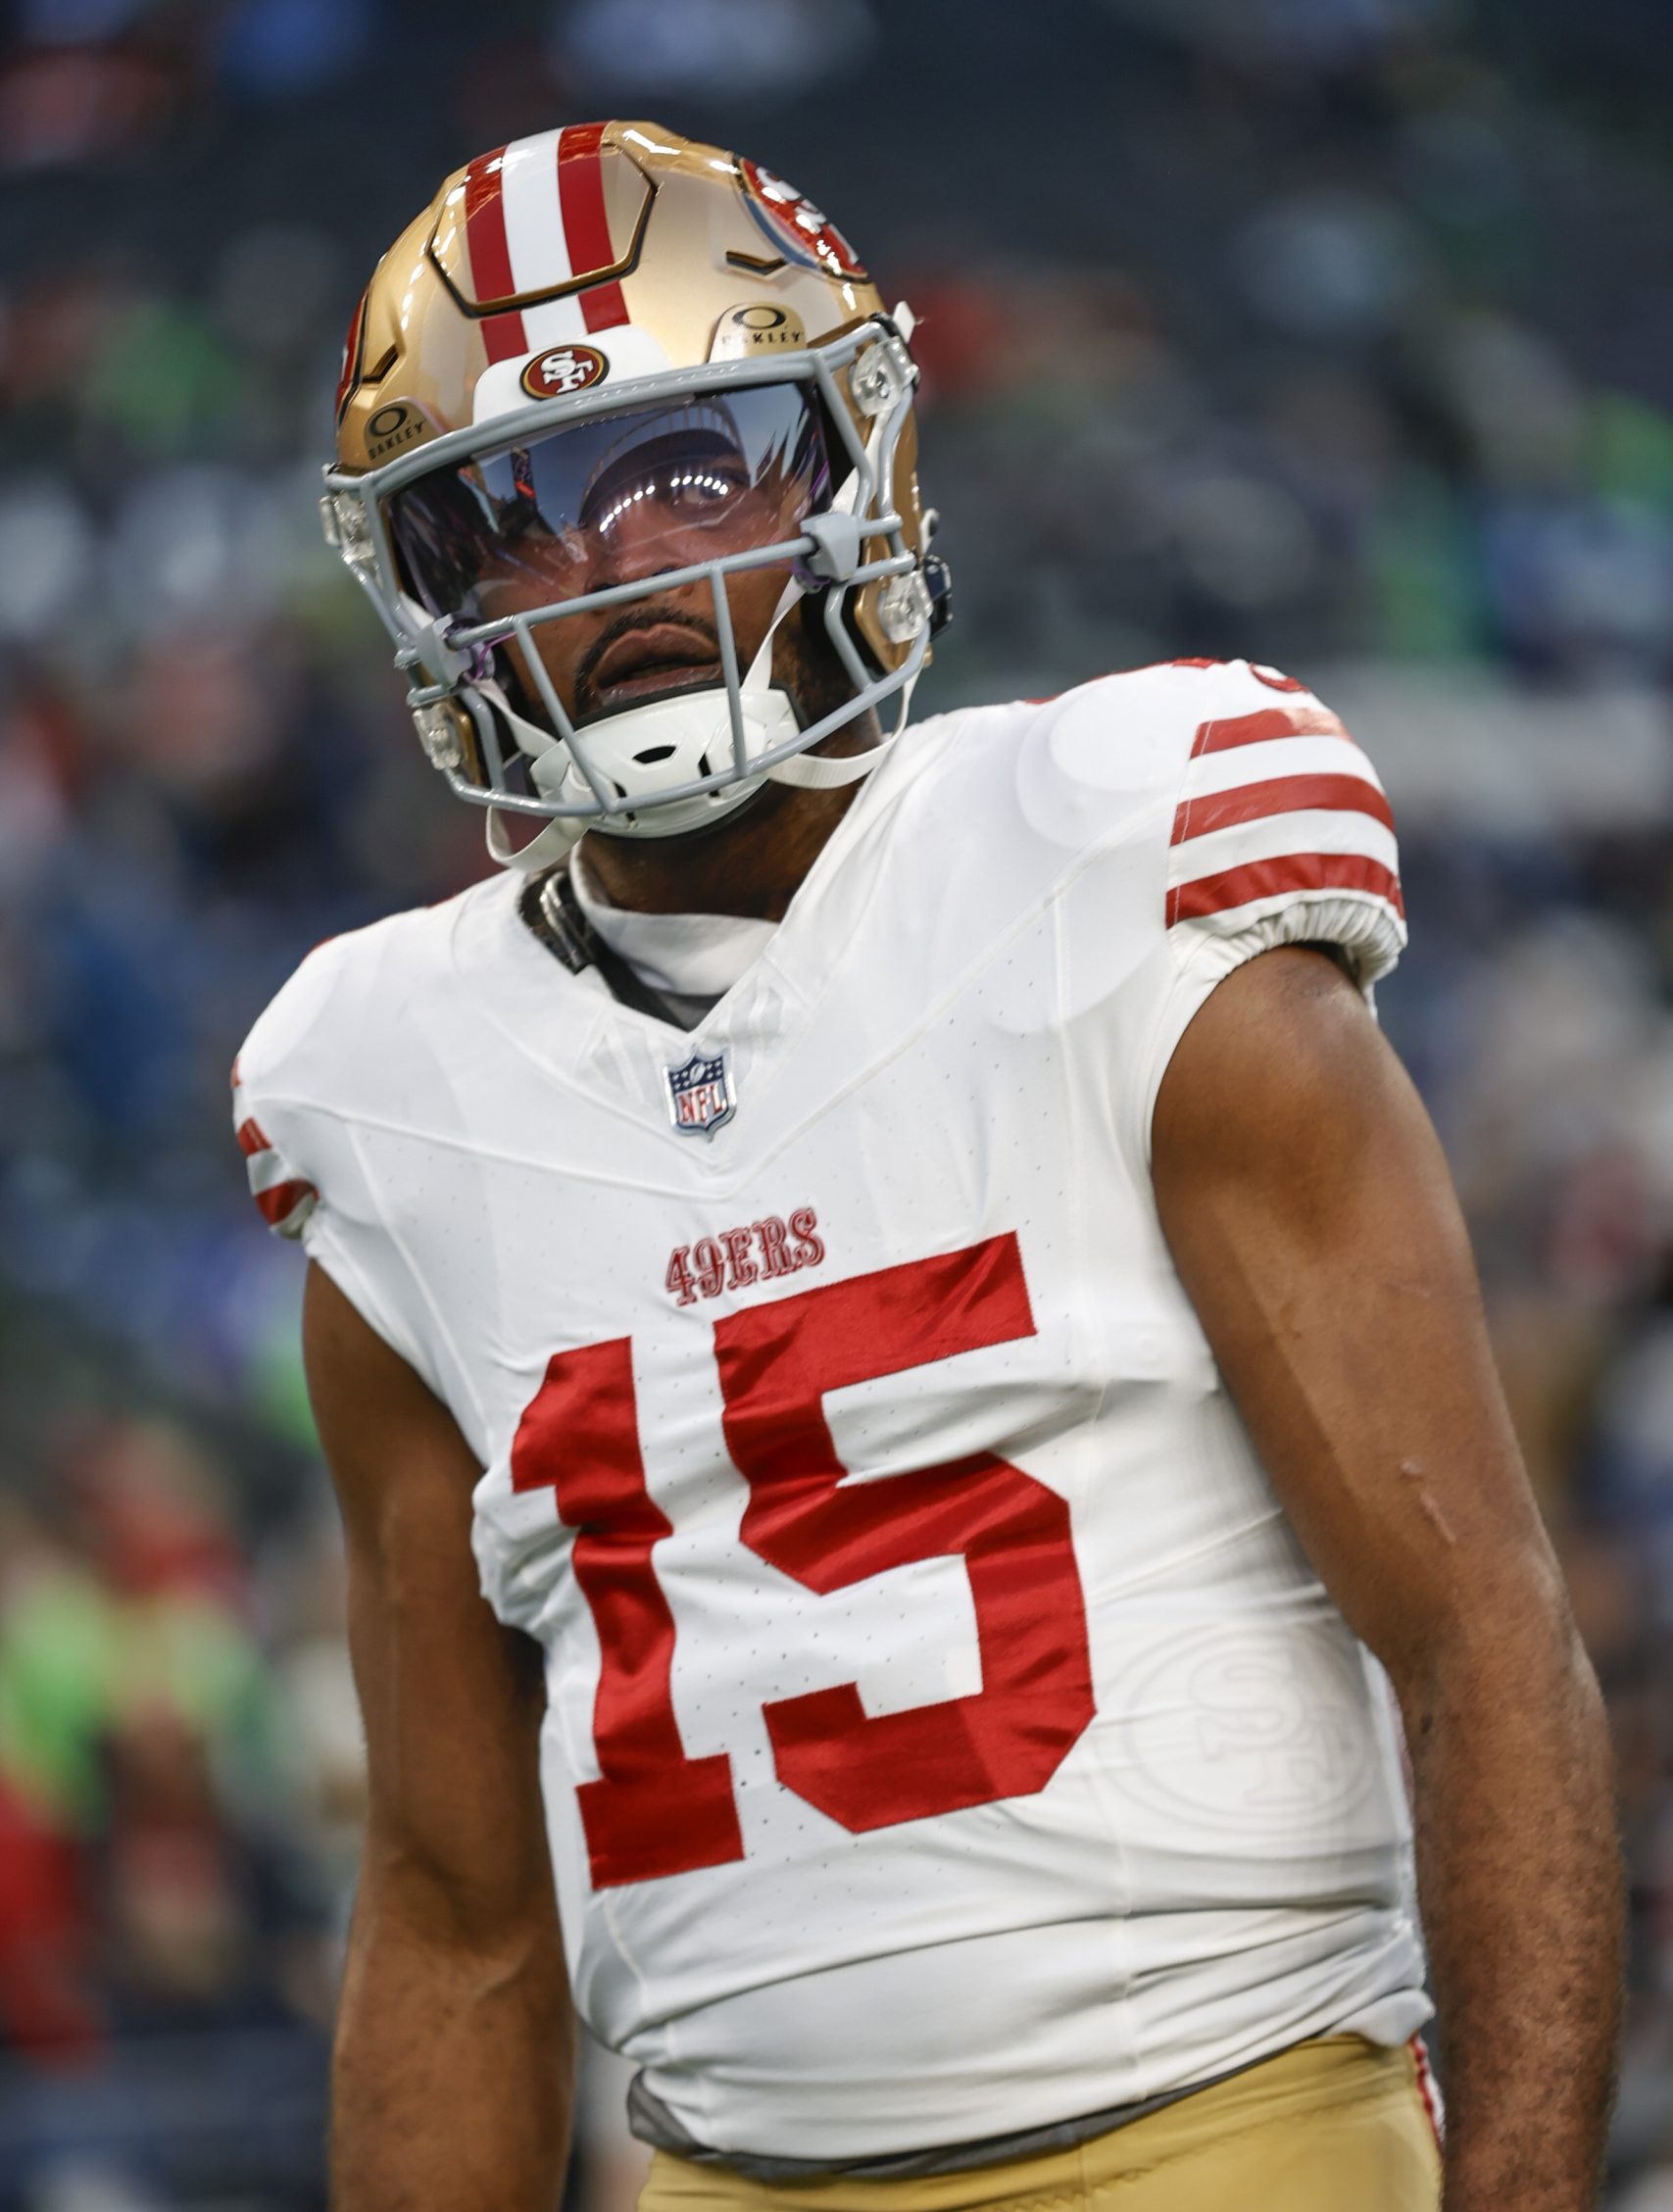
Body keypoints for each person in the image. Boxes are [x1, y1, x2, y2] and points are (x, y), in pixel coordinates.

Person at [233, 121, 1621, 2212]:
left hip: (1228, 2134)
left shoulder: (1118, 878)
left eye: (688, 468)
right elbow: (451, 1908)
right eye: (511, 515)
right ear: (428, 594)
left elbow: (1481, 1640)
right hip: (725, 2175)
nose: (617, 568)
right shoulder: (386, 1093)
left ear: (847, 461)